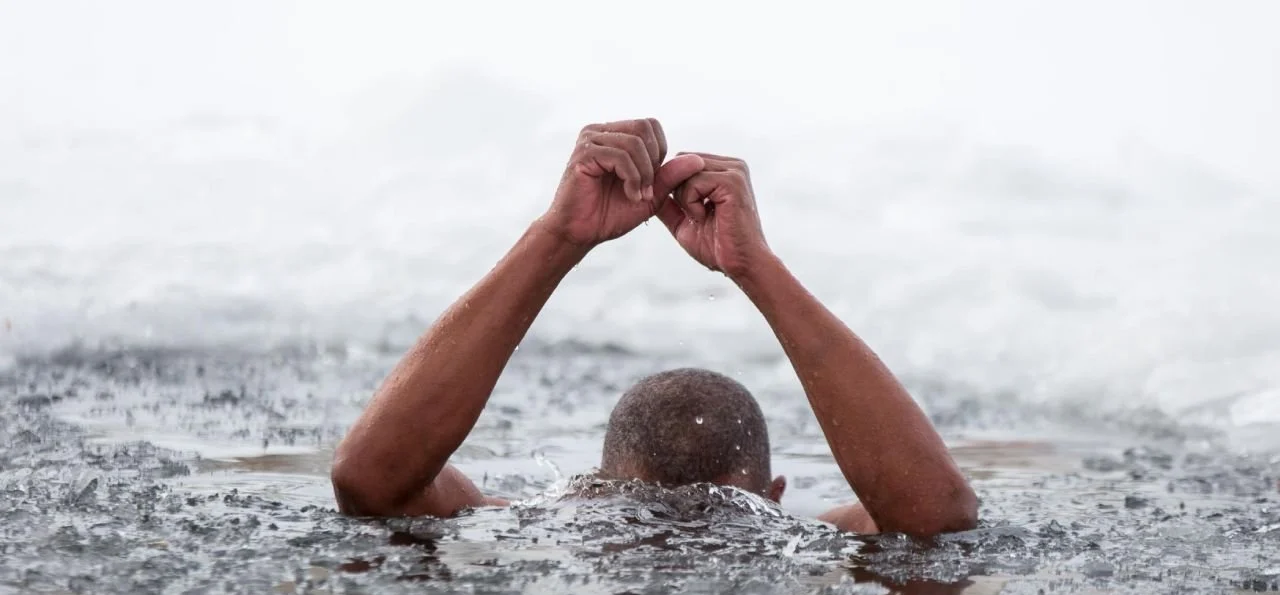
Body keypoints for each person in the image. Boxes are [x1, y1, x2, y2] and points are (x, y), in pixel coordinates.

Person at [330, 118, 978, 536]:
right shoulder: (807, 535)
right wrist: (756, 268)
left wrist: (559, 237)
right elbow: (935, 518)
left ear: (588, 488)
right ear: (775, 498)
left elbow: (369, 480)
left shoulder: (542, 520)